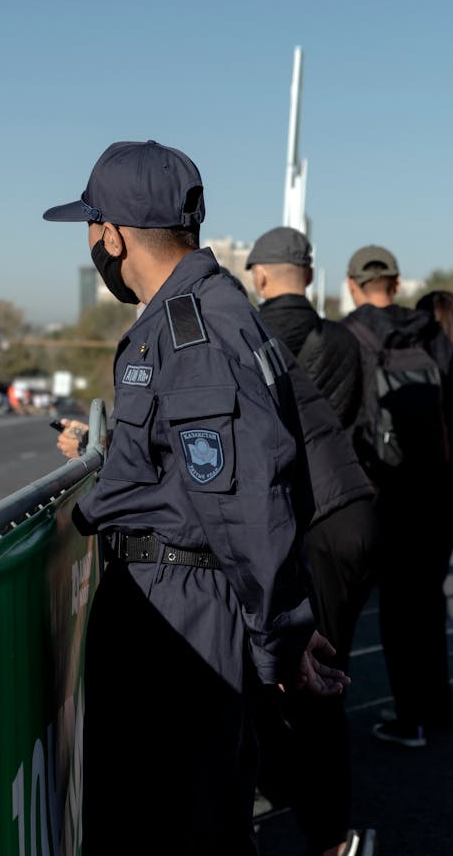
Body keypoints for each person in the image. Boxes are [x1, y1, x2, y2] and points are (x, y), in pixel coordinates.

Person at [43, 139, 348, 856]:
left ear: (111, 234)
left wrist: (281, 641)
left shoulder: (196, 328)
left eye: (90, 228)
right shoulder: (202, 313)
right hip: (180, 596)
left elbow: (246, 502)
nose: (91, 244)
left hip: (179, 614)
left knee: (173, 823)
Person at [246, 227, 377, 856]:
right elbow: (343, 425)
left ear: (261, 276)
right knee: (327, 675)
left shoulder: (248, 334)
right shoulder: (343, 341)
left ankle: (331, 836)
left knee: (305, 684)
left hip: (312, 522)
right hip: (351, 509)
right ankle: (321, 816)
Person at [343, 246, 453, 747]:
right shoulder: (429, 330)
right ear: (398, 281)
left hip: (383, 489)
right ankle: (434, 707)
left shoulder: (350, 335)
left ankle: (407, 719)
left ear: (351, 284)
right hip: (436, 487)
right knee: (428, 602)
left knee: (390, 610)